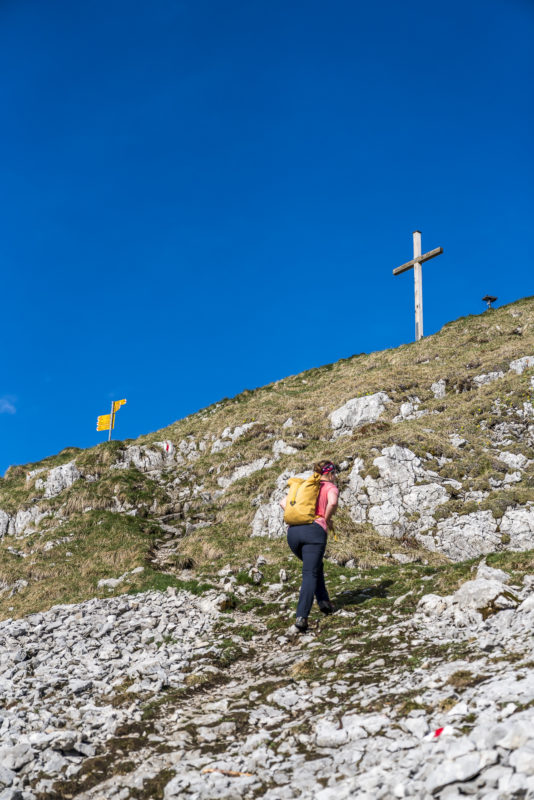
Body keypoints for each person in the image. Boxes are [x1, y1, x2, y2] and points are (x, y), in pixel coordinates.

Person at [280, 460, 339, 633]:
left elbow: (283, 503)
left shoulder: (306, 486)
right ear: (330, 473)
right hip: (314, 532)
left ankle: (323, 602)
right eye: (335, 473)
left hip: (293, 534)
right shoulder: (330, 487)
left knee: (315, 566)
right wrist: (326, 519)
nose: (336, 476)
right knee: (310, 573)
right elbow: (333, 503)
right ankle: (301, 617)